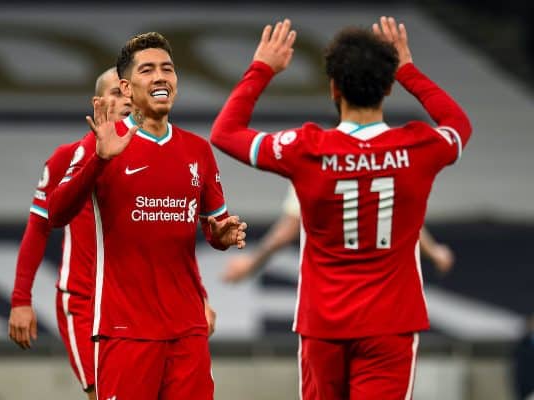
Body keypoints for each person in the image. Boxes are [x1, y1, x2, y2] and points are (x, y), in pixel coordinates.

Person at [210, 17, 471, 399]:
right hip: (391, 325)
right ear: (388, 87)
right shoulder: (418, 147)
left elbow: (225, 132)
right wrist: (410, 70)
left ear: (334, 88)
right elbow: (459, 123)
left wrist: (262, 68)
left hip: (323, 324)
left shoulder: (305, 148)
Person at [48, 32, 246, 400]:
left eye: (167, 69)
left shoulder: (198, 150)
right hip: (125, 330)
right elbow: (56, 213)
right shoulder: (101, 143)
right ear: (126, 86)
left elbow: (212, 228)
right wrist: (99, 160)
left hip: (188, 330)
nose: (160, 77)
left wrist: (222, 235)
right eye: (148, 70)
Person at [8, 67, 217, 400]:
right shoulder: (69, 157)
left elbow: (168, 239)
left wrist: (200, 296)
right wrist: (21, 299)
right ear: (98, 102)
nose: (124, 100)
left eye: (129, 93)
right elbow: (39, 226)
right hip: (85, 301)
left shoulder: (157, 155)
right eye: (116, 93)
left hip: (141, 306)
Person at [223, 185, 454, 283]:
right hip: (379, 286)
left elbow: (286, 231)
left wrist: (252, 264)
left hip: (330, 291)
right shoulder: (388, 158)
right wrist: (433, 251)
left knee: (329, 381)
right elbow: (405, 216)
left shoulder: (314, 161)